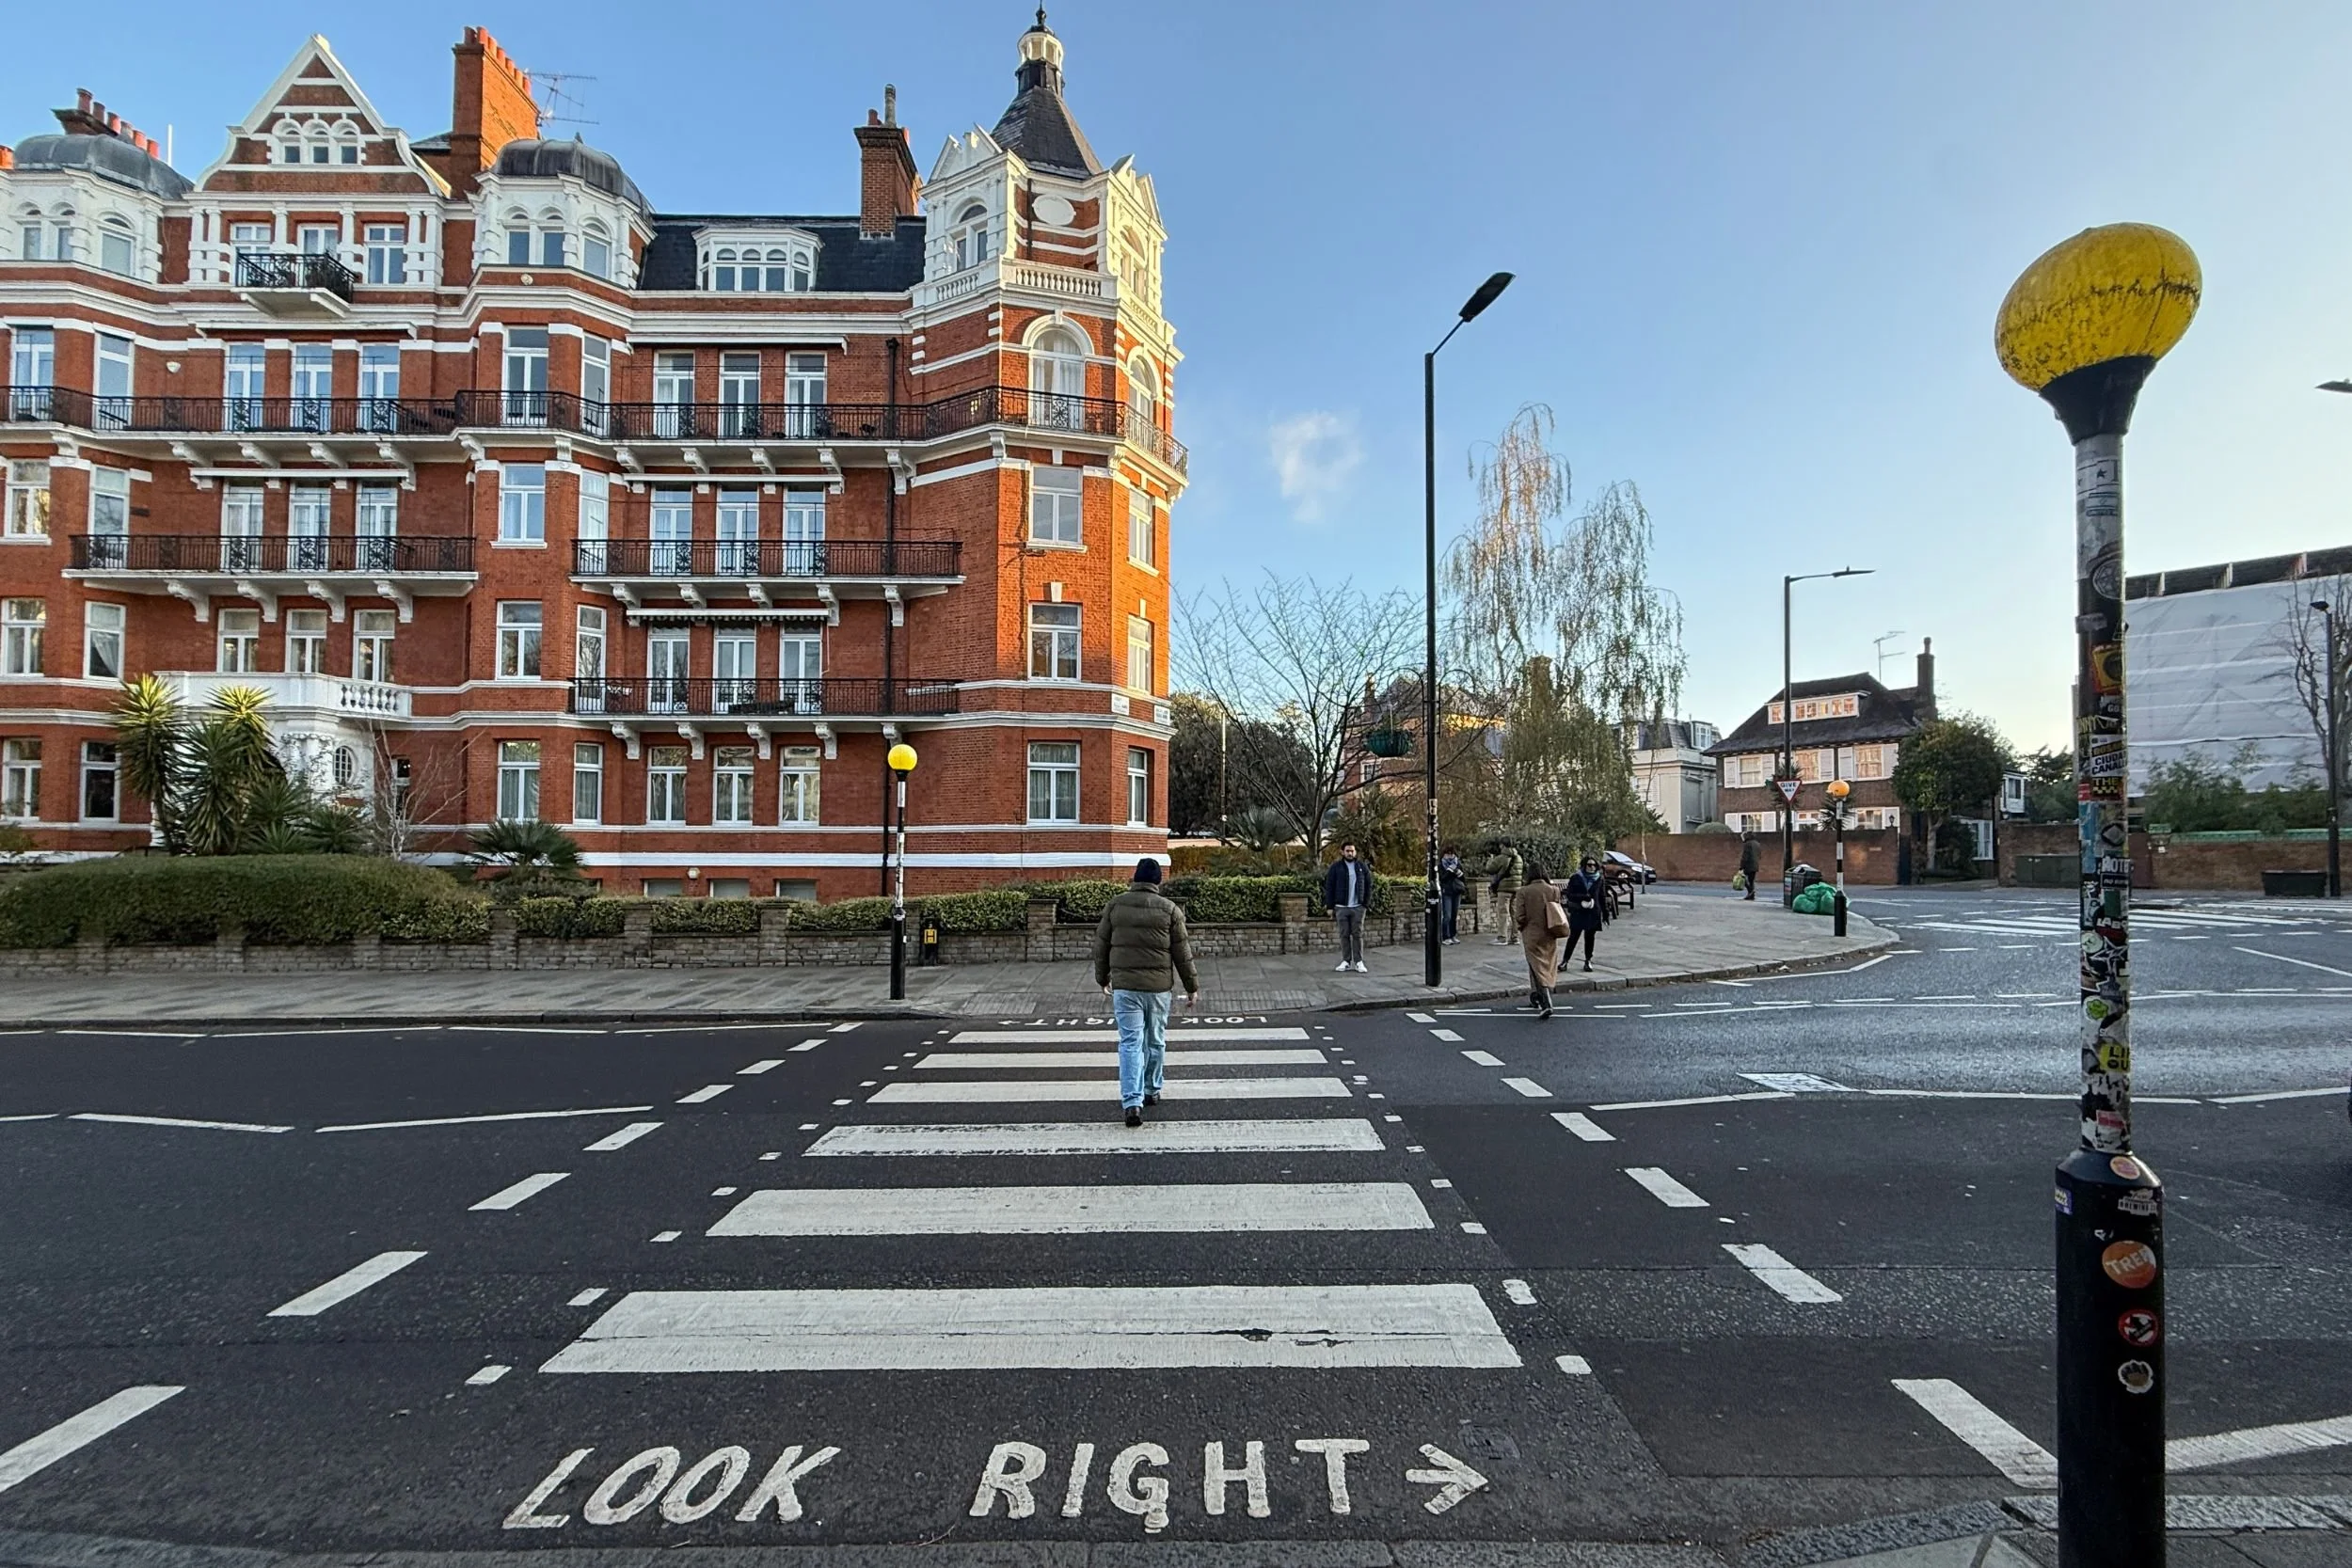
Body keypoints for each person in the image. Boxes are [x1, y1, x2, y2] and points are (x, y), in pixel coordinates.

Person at [1090, 857, 1200, 1128]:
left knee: (1130, 1043)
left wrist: (1102, 977)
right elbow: (1182, 954)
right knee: (1155, 1040)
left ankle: (1132, 1102)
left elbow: (1101, 946)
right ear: (1157, 882)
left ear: (1135, 878)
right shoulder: (1170, 910)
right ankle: (1152, 1089)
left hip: (1125, 987)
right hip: (1158, 989)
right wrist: (1191, 987)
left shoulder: (1115, 906)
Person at [1513, 859, 1565, 1017]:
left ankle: (1546, 1002)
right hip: (1550, 932)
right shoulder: (1554, 890)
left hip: (1531, 934)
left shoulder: (1524, 891)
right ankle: (1536, 996)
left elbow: (1520, 916)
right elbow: (1557, 911)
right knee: (1545, 965)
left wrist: (1521, 927)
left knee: (1536, 966)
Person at [1323, 842, 1373, 974]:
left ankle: (1358, 962)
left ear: (1355, 852)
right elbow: (1330, 887)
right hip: (1341, 907)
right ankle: (1346, 961)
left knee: (1357, 934)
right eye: (1347, 851)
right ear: (1342, 852)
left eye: (1352, 851)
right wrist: (1330, 906)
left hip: (1358, 907)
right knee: (1344, 934)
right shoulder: (1336, 868)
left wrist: (1365, 904)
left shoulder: (1362, 867)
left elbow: (1369, 885)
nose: (1350, 853)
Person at [1565, 855, 1607, 973]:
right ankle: (1565, 960)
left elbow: (1602, 896)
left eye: (1594, 865)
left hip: (1593, 912)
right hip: (1579, 911)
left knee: (1590, 938)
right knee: (1573, 937)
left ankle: (1588, 961)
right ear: (1584, 865)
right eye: (1589, 865)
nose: (1591, 867)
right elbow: (1569, 894)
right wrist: (1583, 897)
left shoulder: (1599, 879)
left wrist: (1605, 913)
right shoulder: (1576, 877)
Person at [1489, 844, 1524, 943]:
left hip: (1504, 889)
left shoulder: (1502, 858)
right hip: (1516, 888)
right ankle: (1515, 937)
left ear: (1502, 846)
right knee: (1514, 912)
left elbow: (1490, 869)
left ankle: (1502, 937)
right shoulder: (1519, 858)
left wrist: (1491, 860)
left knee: (1503, 912)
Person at [1438, 848, 1467, 944]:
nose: (1450, 856)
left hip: (1456, 892)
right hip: (1447, 892)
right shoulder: (1441, 865)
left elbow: (1463, 879)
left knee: (1454, 915)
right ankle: (1445, 937)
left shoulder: (1458, 864)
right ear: (1444, 855)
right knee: (1447, 916)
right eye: (1447, 854)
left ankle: (1453, 935)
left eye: (1452, 854)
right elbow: (1442, 878)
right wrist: (1449, 871)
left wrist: (1459, 874)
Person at [1738, 832, 1760, 901]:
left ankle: (1751, 891)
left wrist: (1741, 866)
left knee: (1742, 879)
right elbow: (1759, 855)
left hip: (1748, 865)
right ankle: (1751, 895)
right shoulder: (1757, 843)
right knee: (1751, 880)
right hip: (1755, 864)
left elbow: (1745, 856)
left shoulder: (1747, 844)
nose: (1742, 839)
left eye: (1743, 837)